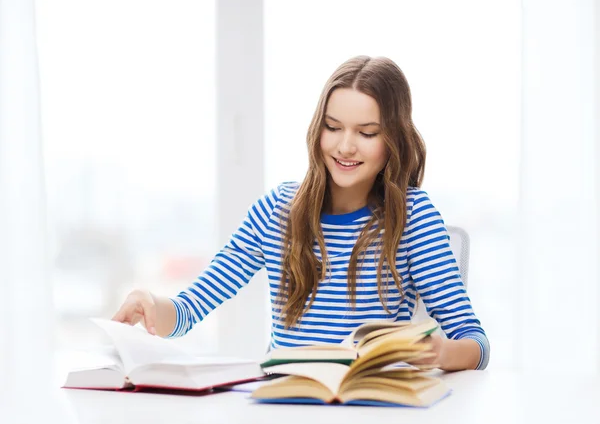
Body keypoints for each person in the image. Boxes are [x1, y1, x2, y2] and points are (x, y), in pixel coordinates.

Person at [112, 55, 490, 371]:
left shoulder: (413, 217)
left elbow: (474, 342)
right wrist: (150, 304)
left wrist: (440, 353)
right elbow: (189, 310)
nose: (345, 146)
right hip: (287, 404)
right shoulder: (276, 212)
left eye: (367, 133)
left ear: (393, 139)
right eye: (333, 127)